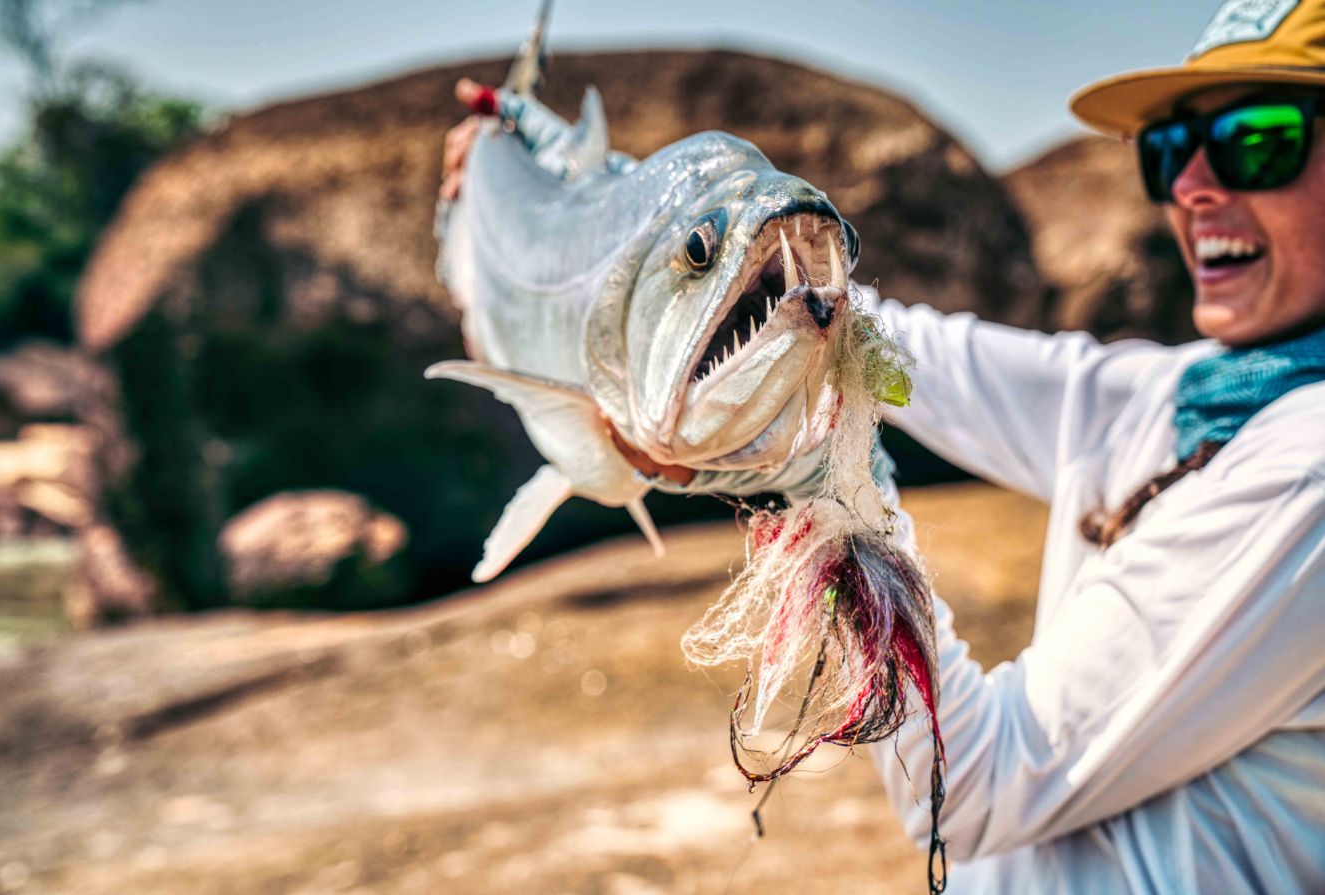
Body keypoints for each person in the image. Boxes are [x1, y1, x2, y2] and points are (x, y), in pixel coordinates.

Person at [441, 1, 1325, 890]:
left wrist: (823, 477)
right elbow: (914, 359)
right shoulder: (1189, 392)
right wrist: (632, 233)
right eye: (1170, 149)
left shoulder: (1307, 472)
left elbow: (971, 788)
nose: (1193, 186)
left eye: (1259, 140)